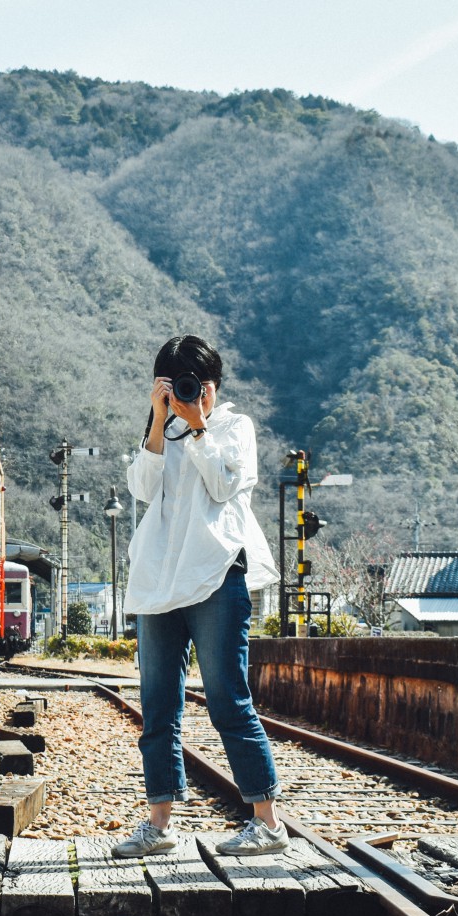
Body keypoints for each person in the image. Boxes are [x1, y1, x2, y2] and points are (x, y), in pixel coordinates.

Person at [114, 334, 290, 859]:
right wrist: (158, 420)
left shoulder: (235, 427)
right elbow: (142, 490)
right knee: (157, 707)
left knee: (228, 700)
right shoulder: (161, 429)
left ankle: (268, 823)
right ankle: (159, 824)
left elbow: (223, 486)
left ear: (214, 385)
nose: (190, 393)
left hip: (215, 574)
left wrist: (198, 427)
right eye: (176, 385)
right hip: (159, 580)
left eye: (198, 383)